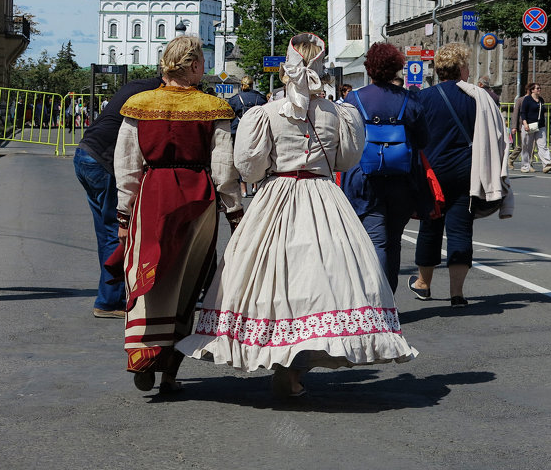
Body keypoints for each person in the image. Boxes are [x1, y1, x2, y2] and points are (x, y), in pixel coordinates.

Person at [178, 34, 416, 396]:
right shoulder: (339, 112)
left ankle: (279, 359)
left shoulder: (266, 113)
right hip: (323, 197)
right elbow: (347, 160)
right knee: (323, 282)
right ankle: (296, 366)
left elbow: (250, 166)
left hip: (276, 196)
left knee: (272, 280)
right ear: (320, 65)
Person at [109, 36, 243, 394]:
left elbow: (126, 166)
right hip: (197, 200)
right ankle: (170, 369)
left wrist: (124, 217)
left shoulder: (138, 105)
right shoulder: (213, 107)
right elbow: (223, 168)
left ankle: (142, 355)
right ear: (195, 65)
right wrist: (234, 212)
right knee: (187, 282)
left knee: (146, 272)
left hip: (152, 196)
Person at [410, 43, 512, 307]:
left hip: (433, 174)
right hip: (468, 172)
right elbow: (498, 133)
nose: (469, 69)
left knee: (430, 228)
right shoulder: (478, 97)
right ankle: (457, 294)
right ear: (460, 68)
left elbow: (415, 136)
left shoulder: (423, 97)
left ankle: (423, 284)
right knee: (460, 230)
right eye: (467, 65)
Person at [342, 42, 429, 293]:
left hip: (364, 180)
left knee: (374, 240)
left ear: (369, 68)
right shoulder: (409, 99)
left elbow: (345, 141)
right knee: (393, 242)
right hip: (402, 180)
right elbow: (423, 140)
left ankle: (378, 305)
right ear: (396, 69)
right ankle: (389, 300)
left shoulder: (354, 99)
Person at [75, 73, 163, 319]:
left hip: (86, 154)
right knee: (118, 229)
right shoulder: (153, 96)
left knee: (107, 231)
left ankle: (112, 296)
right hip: (104, 161)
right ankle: (109, 300)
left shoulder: (140, 85)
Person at [519, 82, 551, 173]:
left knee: (542, 145)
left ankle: (546, 164)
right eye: (537, 88)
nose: (539, 90)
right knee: (527, 146)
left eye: (539, 88)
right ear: (532, 90)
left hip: (540, 126)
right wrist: (525, 124)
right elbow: (523, 113)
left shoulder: (541, 100)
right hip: (529, 125)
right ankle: (525, 165)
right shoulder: (527, 99)